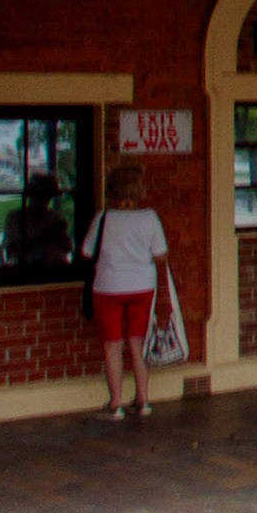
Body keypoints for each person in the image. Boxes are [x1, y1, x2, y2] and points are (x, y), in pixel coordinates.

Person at [79, 165, 170, 420]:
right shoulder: (149, 217)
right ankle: (143, 400)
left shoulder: (103, 218)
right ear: (138, 189)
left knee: (112, 346)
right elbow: (160, 254)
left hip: (108, 287)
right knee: (138, 343)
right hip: (142, 286)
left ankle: (116, 404)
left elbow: (86, 252)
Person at [3, 173, 72, 267]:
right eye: (40, 197)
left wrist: (62, 237)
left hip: (56, 269)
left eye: (47, 197)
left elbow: (68, 248)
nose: (44, 201)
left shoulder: (56, 217)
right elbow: (12, 250)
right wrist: (47, 236)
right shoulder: (16, 218)